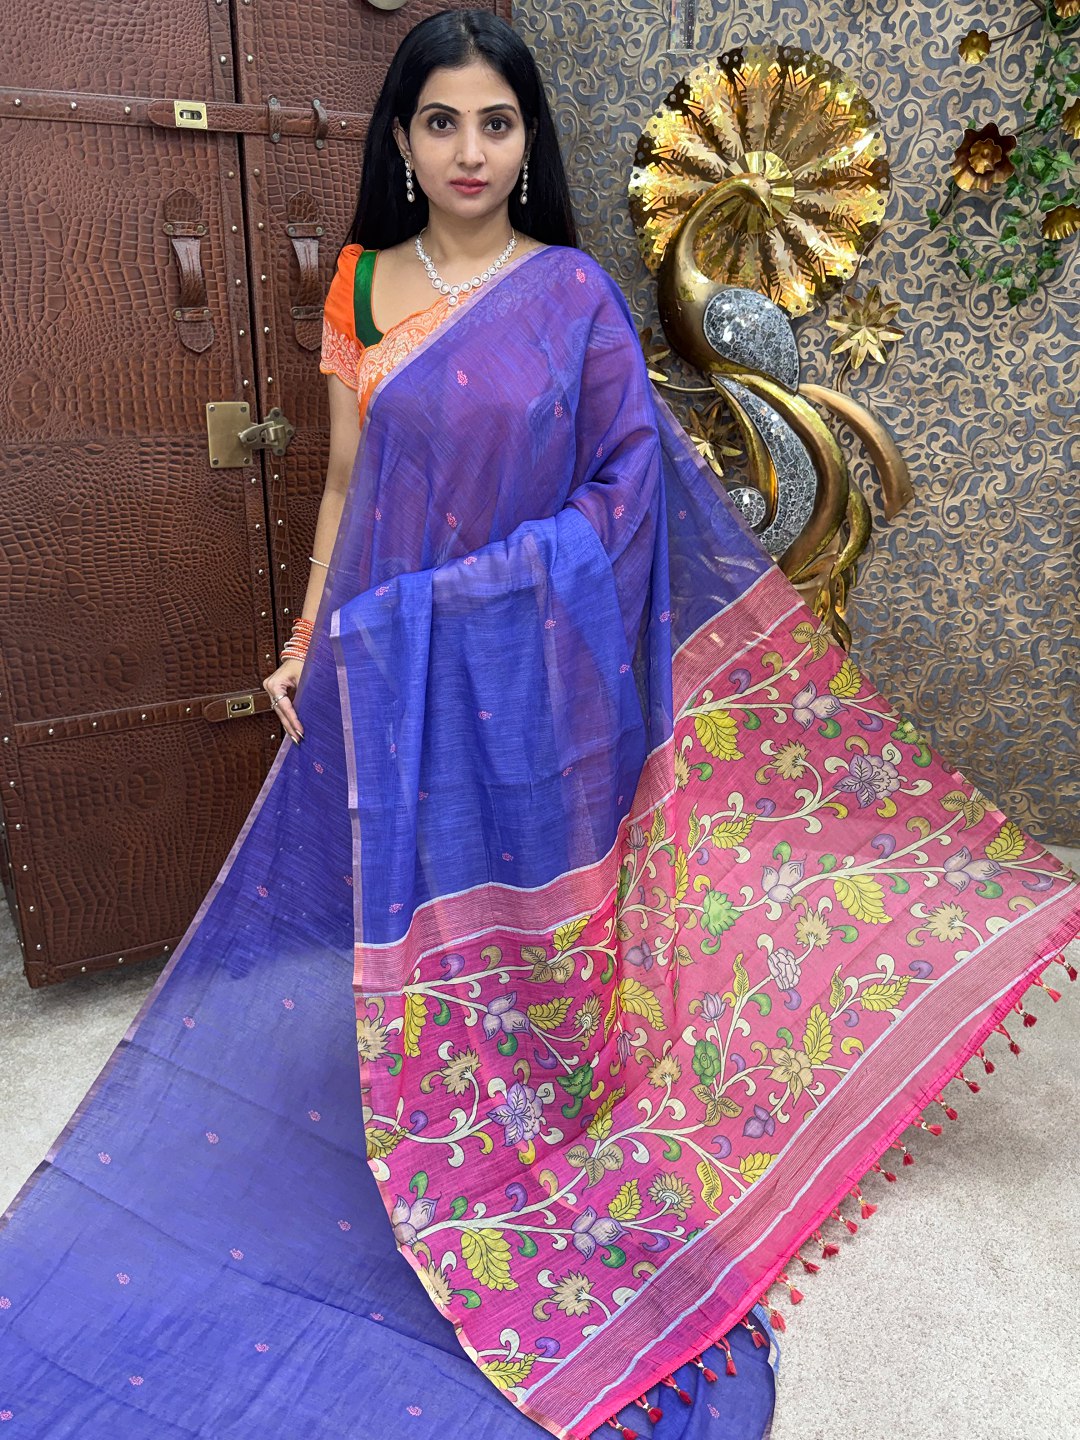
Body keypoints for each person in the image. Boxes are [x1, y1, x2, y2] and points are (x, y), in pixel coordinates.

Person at [0, 10, 1076, 1440]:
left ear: (527, 140)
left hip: (542, 670)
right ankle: (429, 1094)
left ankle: (545, 1105)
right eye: (440, 121)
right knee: (403, 897)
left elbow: (626, 495)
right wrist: (315, 636)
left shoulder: (570, 294)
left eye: (495, 123)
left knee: (542, 901)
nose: (469, 149)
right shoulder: (363, 285)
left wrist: (474, 605)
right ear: (401, 138)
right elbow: (343, 483)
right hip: (397, 665)